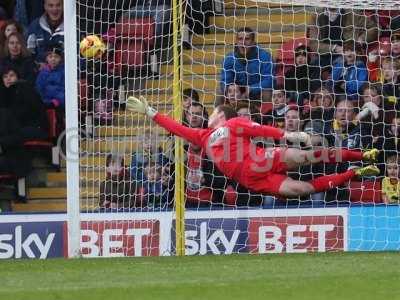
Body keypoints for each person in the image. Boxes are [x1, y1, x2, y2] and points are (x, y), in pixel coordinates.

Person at [126, 95, 380, 199]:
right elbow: (176, 128)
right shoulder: (202, 136)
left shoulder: (234, 122)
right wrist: (150, 111)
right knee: (300, 189)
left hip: (263, 159)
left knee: (307, 157)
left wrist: (292, 135)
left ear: (220, 116)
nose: (209, 115)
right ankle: (355, 172)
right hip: (251, 180)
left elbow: (262, 131)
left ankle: (361, 154)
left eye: (213, 112)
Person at [220, 27, 274, 103]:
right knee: (220, 93)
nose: (243, 42)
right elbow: (225, 80)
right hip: (237, 92)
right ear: (236, 41)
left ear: (253, 42)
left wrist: (252, 88)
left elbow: (270, 80)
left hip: (257, 91)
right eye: (240, 39)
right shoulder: (229, 58)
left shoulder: (265, 56)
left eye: (247, 39)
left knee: (267, 92)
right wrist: (230, 88)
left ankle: (267, 114)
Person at [0, 65, 48, 141]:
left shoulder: (25, 88)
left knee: (11, 136)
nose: (8, 78)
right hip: (18, 127)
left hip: (35, 126)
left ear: (18, 77)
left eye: (11, 75)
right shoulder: (5, 92)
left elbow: (32, 111)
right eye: (5, 77)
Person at [26, 0, 64, 65]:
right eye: (51, 5)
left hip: (65, 71)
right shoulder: (35, 25)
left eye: (58, 5)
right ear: (45, 7)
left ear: (63, 6)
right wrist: (37, 66)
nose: (54, 9)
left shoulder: (72, 26)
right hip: (40, 72)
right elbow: (29, 53)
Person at [35, 44, 65, 108]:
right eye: (50, 57)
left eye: (56, 57)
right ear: (46, 59)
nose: (53, 59)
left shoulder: (63, 72)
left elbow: (63, 89)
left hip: (59, 103)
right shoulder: (42, 73)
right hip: (45, 102)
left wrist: (57, 101)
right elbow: (39, 88)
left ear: (60, 59)